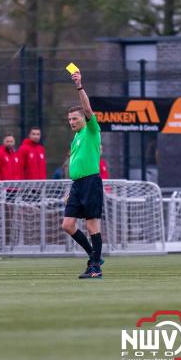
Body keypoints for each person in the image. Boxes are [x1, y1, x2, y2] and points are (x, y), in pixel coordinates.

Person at [62, 69, 104, 279]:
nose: (72, 122)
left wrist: (79, 85)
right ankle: (94, 256)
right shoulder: (76, 138)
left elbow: (87, 108)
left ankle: (95, 267)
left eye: (75, 118)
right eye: (69, 119)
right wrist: (71, 188)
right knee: (67, 225)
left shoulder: (90, 129)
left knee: (91, 225)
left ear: (84, 119)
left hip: (91, 183)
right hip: (77, 185)